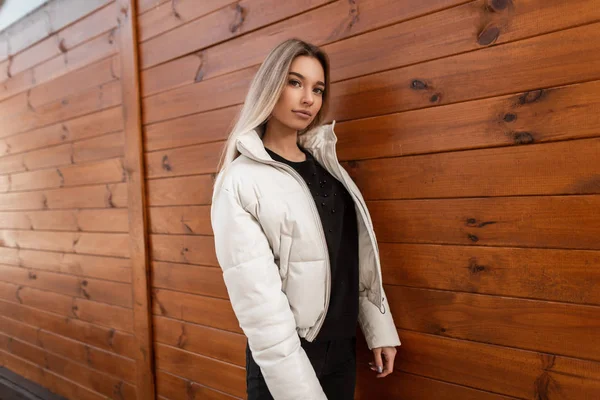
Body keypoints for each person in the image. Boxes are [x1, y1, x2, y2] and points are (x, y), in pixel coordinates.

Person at [211, 38, 401, 400]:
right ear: (271, 86)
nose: (308, 99)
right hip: (285, 359)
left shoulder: (329, 170)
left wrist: (379, 330)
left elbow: (352, 260)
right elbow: (260, 307)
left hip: (342, 351)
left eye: (317, 88)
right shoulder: (240, 181)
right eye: (295, 82)